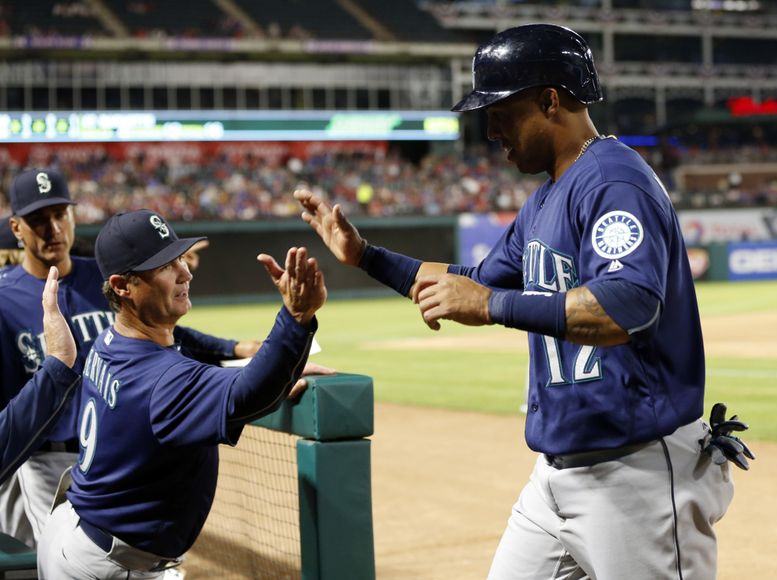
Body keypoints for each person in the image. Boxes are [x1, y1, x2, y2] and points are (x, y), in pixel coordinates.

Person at [297, 23, 751, 580]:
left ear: (549, 100)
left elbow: (627, 305)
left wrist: (491, 305)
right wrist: (365, 255)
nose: (490, 130)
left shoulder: (614, 181)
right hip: (558, 477)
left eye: (500, 112)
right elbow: (472, 281)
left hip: (638, 474)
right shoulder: (546, 198)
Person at [0, 168, 291, 547]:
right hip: (45, 459)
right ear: (17, 228)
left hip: (116, 452)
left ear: (73, 215)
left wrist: (232, 350)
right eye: (38, 220)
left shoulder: (100, 276)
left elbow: (164, 337)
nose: (53, 228)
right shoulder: (4, 301)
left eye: (60, 214)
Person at [37, 209, 326, 578]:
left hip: (75, 533)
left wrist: (256, 358)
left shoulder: (107, 342)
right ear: (123, 286)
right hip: (108, 564)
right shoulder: (162, 381)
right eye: (165, 267)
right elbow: (249, 393)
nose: (186, 273)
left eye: (179, 259)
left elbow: (177, 352)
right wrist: (296, 318)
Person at [1, 266, 80, 485]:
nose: (54, 230)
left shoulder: (93, 275)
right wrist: (59, 364)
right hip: (42, 458)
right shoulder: (6, 295)